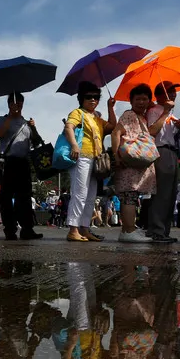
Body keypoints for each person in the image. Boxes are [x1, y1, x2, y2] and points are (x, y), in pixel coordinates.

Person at [63, 81, 116, 242]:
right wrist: (74, 145)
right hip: (82, 157)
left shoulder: (97, 118)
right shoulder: (78, 113)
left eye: (96, 97)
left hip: (95, 159)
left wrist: (110, 107)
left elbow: (113, 126)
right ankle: (73, 229)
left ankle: (84, 228)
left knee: (91, 196)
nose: (92, 100)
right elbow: (69, 127)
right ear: (81, 98)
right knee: (80, 194)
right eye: (88, 97)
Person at [111, 85, 157, 243]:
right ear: (131, 101)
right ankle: (129, 230)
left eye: (145, 99)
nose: (141, 102)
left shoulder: (142, 118)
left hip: (133, 162)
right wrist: (116, 155)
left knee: (130, 196)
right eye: (138, 99)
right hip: (128, 162)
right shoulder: (129, 114)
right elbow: (116, 132)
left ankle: (127, 230)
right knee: (129, 196)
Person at [144, 82, 180, 243]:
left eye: (174, 91)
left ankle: (164, 230)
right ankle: (156, 230)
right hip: (160, 151)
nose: (174, 94)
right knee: (162, 193)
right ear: (160, 96)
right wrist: (167, 111)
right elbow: (153, 131)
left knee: (171, 195)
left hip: (172, 153)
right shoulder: (154, 111)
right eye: (169, 92)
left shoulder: (171, 115)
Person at [0, 92, 43, 240]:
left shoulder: (26, 123)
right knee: (6, 197)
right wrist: (10, 116)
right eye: (15, 103)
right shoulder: (2, 119)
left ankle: (27, 229)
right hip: (8, 162)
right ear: (9, 105)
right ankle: (10, 229)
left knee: (25, 197)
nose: (18, 106)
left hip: (23, 162)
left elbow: (37, 141)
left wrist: (33, 128)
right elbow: (0, 134)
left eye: (21, 103)